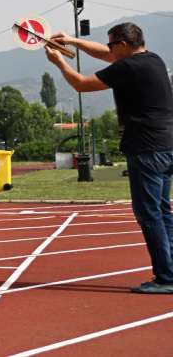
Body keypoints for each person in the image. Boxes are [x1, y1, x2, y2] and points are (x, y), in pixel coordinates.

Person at [48, 22, 173, 293]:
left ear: (124, 45)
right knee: (163, 211)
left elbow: (81, 84)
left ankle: (166, 278)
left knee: (149, 214)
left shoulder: (128, 67)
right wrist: (73, 41)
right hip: (166, 145)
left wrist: (59, 61)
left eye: (112, 45)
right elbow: (106, 56)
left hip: (146, 148)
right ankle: (170, 271)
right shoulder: (153, 60)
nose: (109, 50)